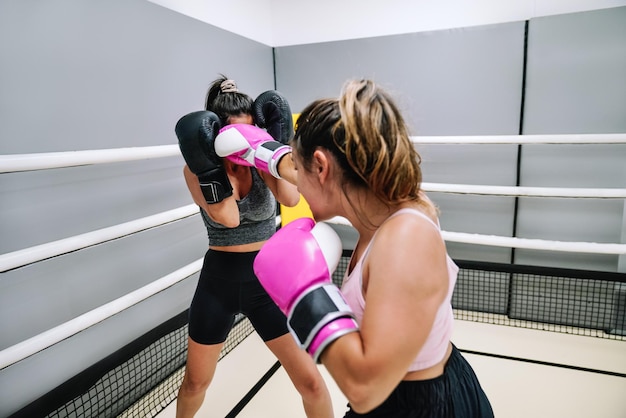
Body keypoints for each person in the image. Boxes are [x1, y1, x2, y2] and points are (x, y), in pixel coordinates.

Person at [218, 79, 494, 417]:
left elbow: (364, 389)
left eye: (301, 170)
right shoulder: (379, 201)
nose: (296, 182)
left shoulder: (406, 239)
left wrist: (307, 296)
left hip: (421, 405)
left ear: (321, 167)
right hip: (396, 397)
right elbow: (290, 164)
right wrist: (255, 148)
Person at [174, 75, 334, 418]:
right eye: (236, 136)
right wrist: (212, 169)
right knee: (194, 384)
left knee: (311, 383)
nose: (243, 143)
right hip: (219, 281)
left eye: (251, 133)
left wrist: (270, 154)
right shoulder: (195, 170)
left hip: (266, 280)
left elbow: (290, 198)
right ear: (216, 137)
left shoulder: (262, 159)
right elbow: (228, 217)